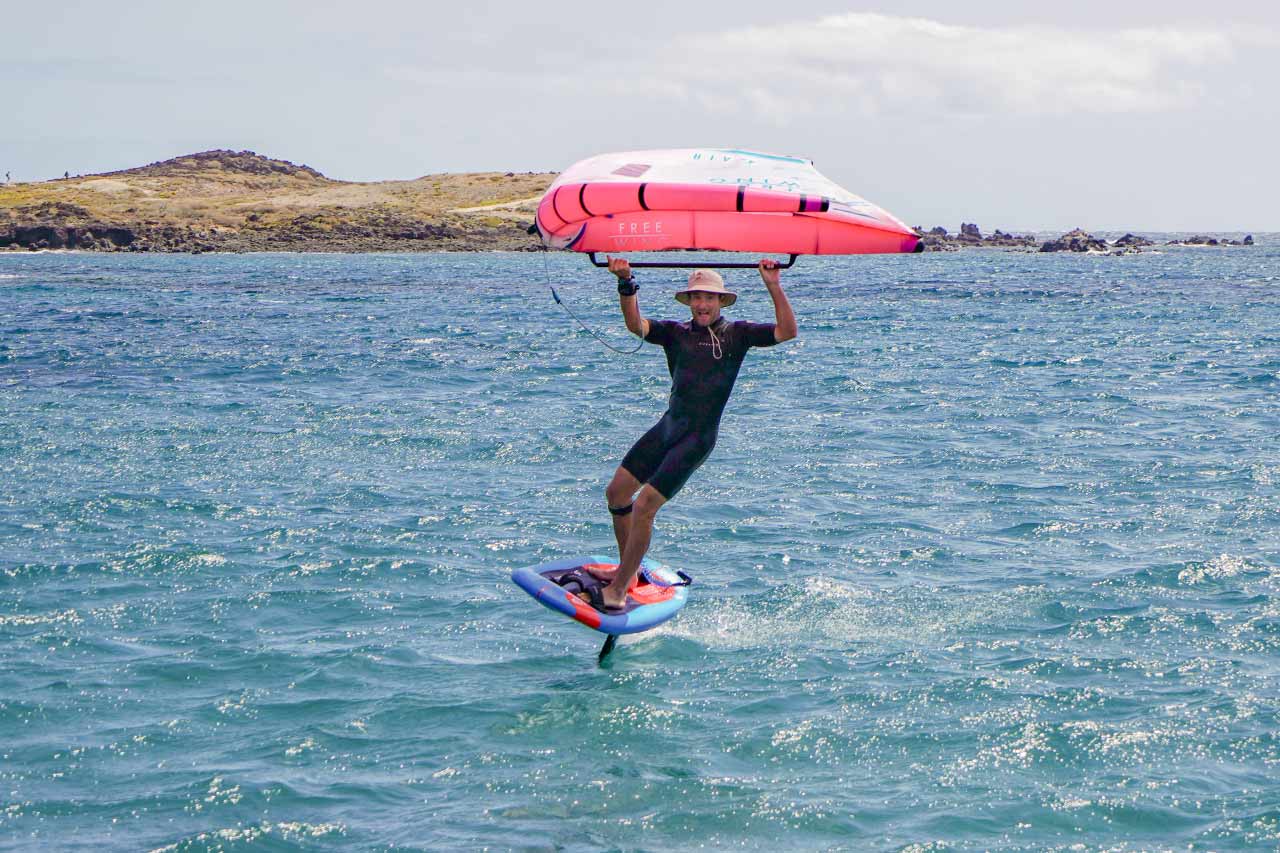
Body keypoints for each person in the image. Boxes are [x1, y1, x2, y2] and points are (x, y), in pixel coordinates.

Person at [584, 256, 798, 612]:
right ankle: (627, 572)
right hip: (669, 427)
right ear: (689, 301)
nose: (702, 304)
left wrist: (773, 285)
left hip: (697, 439)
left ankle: (619, 590)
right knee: (617, 492)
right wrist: (626, 282)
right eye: (696, 297)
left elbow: (787, 331)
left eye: (709, 298)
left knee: (645, 506)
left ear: (721, 301)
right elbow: (636, 326)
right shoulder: (675, 333)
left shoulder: (738, 334)